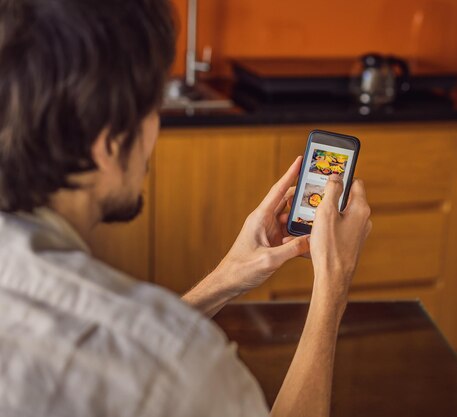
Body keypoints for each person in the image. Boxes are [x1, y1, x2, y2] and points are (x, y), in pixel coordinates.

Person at [0, 0, 372, 416]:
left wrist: (227, 276)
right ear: (109, 144)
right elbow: (152, 353)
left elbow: (130, 347)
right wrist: (332, 288)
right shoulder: (190, 368)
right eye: (152, 109)